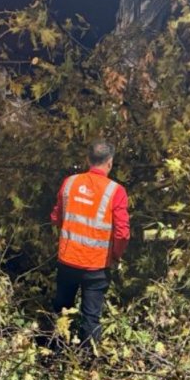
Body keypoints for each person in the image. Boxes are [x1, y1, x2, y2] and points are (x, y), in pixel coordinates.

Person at [50, 139, 130, 348]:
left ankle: (56, 355)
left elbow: (56, 217)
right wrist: (116, 255)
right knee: (91, 317)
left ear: (88, 159)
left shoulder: (70, 182)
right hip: (96, 267)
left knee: (62, 311)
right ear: (110, 162)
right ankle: (89, 365)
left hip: (67, 260)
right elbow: (122, 233)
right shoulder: (116, 191)